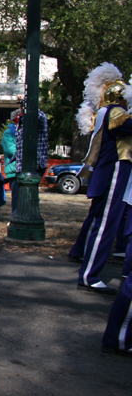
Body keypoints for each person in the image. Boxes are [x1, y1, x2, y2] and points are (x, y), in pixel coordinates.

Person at [68, 63, 132, 294]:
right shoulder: (114, 112)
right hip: (113, 171)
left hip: (111, 171)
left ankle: (86, 264)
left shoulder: (107, 111)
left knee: (101, 222)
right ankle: (89, 274)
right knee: (105, 224)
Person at [3, 110, 21, 214]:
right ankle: (15, 216)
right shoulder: (9, 133)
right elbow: (11, 150)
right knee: (16, 196)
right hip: (14, 169)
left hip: (25, 170)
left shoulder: (25, 132)